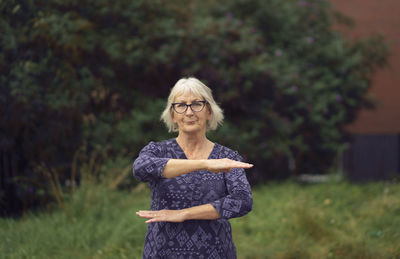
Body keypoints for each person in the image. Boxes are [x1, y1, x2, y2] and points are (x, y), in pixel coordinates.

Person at [133, 77, 253, 259]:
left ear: (209, 112)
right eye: (181, 105)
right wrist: (203, 164)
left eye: (197, 104)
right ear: (173, 114)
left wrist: (183, 214)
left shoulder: (227, 158)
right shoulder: (157, 150)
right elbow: (141, 169)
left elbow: (242, 201)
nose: (189, 112)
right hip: (162, 252)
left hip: (214, 253)